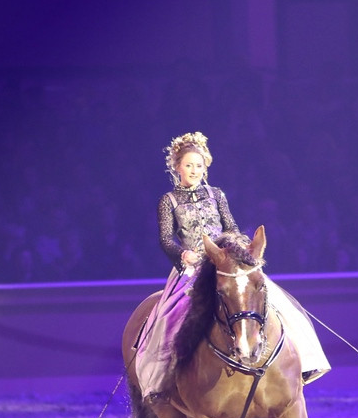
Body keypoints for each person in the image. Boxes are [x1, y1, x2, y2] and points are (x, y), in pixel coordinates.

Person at [134, 132, 330, 400]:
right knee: (169, 317)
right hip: (192, 267)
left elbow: (232, 227)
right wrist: (183, 255)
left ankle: (304, 363)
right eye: (189, 165)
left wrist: (239, 249)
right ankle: (160, 381)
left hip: (225, 261)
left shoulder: (217, 195)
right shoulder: (168, 201)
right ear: (177, 167)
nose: (194, 170)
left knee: (274, 300)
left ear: (206, 167)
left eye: (199, 165)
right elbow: (166, 238)